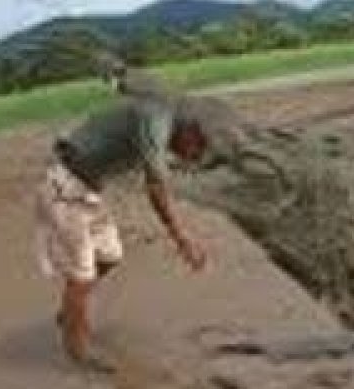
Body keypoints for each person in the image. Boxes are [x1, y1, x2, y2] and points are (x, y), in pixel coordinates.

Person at [32, 61, 240, 371]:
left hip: (89, 189)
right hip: (65, 186)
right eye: (199, 147)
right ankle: (76, 345)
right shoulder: (156, 120)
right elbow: (154, 186)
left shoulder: (166, 111)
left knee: (110, 256)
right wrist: (182, 239)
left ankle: (69, 311)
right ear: (191, 129)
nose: (196, 156)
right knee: (82, 272)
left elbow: (125, 80)